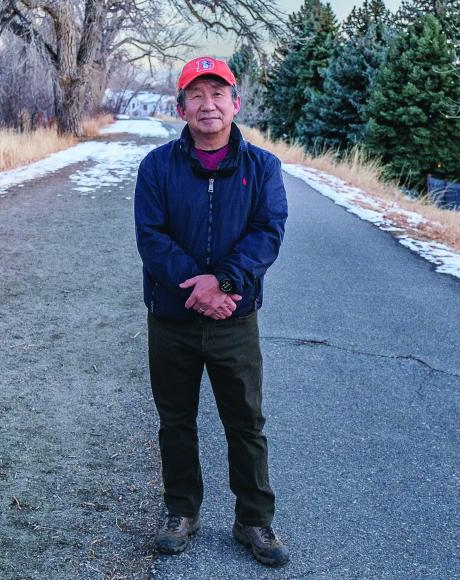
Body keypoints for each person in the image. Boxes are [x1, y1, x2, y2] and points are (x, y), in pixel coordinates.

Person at [134, 56, 290, 567]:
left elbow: (267, 234)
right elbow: (151, 238)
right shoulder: (157, 166)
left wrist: (223, 283)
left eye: (217, 93)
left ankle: (253, 519)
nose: (208, 104)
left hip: (234, 320)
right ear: (181, 108)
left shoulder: (262, 167)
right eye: (196, 95)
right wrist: (196, 289)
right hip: (173, 321)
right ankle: (181, 510)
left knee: (245, 422)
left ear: (235, 104)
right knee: (174, 420)